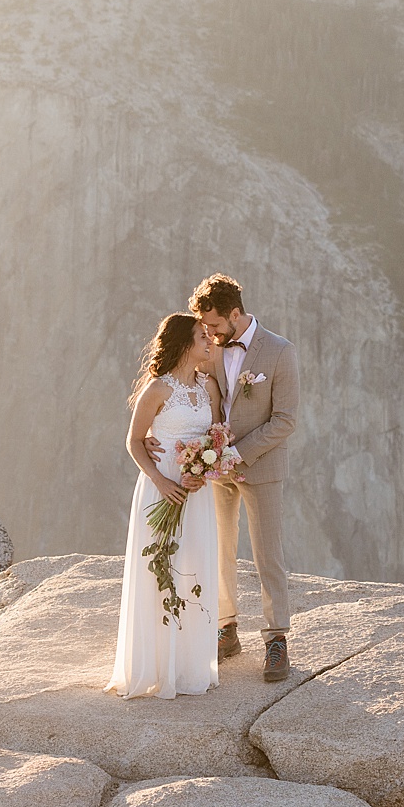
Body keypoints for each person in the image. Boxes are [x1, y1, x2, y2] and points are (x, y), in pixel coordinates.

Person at [107, 313, 226, 699]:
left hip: (197, 488)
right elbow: (134, 440)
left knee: (195, 565)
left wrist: (201, 469)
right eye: (201, 336)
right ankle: (156, 665)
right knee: (157, 568)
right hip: (162, 487)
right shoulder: (157, 389)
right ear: (183, 344)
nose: (209, 342)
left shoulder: (209, 386)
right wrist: (162, 480)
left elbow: (214, 437)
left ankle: (190, 666)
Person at [189, 274, 300, 683]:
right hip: (216, 468)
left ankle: (276, 639)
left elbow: (286, 420)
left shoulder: (280, 352)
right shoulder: (212, 349)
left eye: (215, 325)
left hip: (262, 467)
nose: (210, 333)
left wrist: (237, 453)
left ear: (235, 314)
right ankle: (226, 628)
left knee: (267, 554)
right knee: (219, 548)